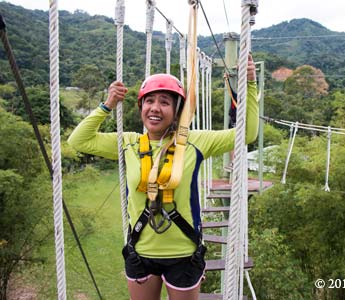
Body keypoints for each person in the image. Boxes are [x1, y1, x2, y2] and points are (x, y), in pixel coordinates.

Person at [68, 54, 258, 300]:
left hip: (183, 255)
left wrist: (250, 84)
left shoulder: (195, 142)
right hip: (141, 253)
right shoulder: (129, 143)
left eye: (165, 102)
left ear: (177, 111)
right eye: (149, 101)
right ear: (141, 108)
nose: (155, 108)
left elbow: (248, 133)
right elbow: (78, 140)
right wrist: (107, 105)